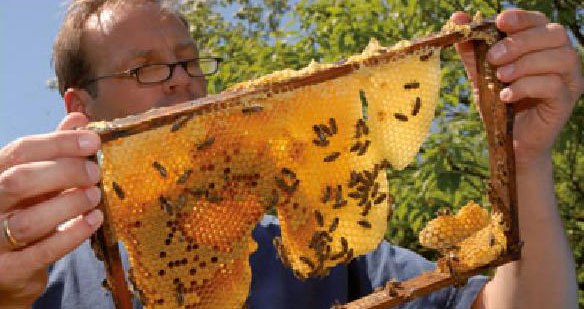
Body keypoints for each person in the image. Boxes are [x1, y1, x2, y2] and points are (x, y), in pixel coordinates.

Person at [0, 0, 581, 308]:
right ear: (82, 109)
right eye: (146, 67)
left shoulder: (312, 241)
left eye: (189, 59)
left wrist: (524, 161)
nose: (181, 80)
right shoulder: (34, 275)